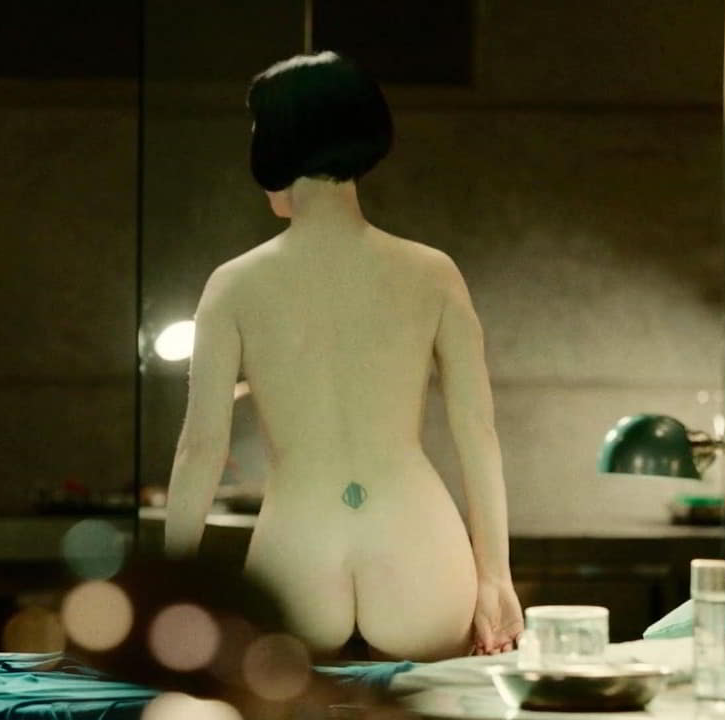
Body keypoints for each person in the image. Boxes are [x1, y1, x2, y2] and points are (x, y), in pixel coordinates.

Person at [163, 51, 522, 661]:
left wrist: (172, 590)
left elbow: (201, 448)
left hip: (298, 550)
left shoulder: (235, 284)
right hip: (418, 546)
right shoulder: (432, 272)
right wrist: (496, 578)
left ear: (271, 143)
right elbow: (476, 431)